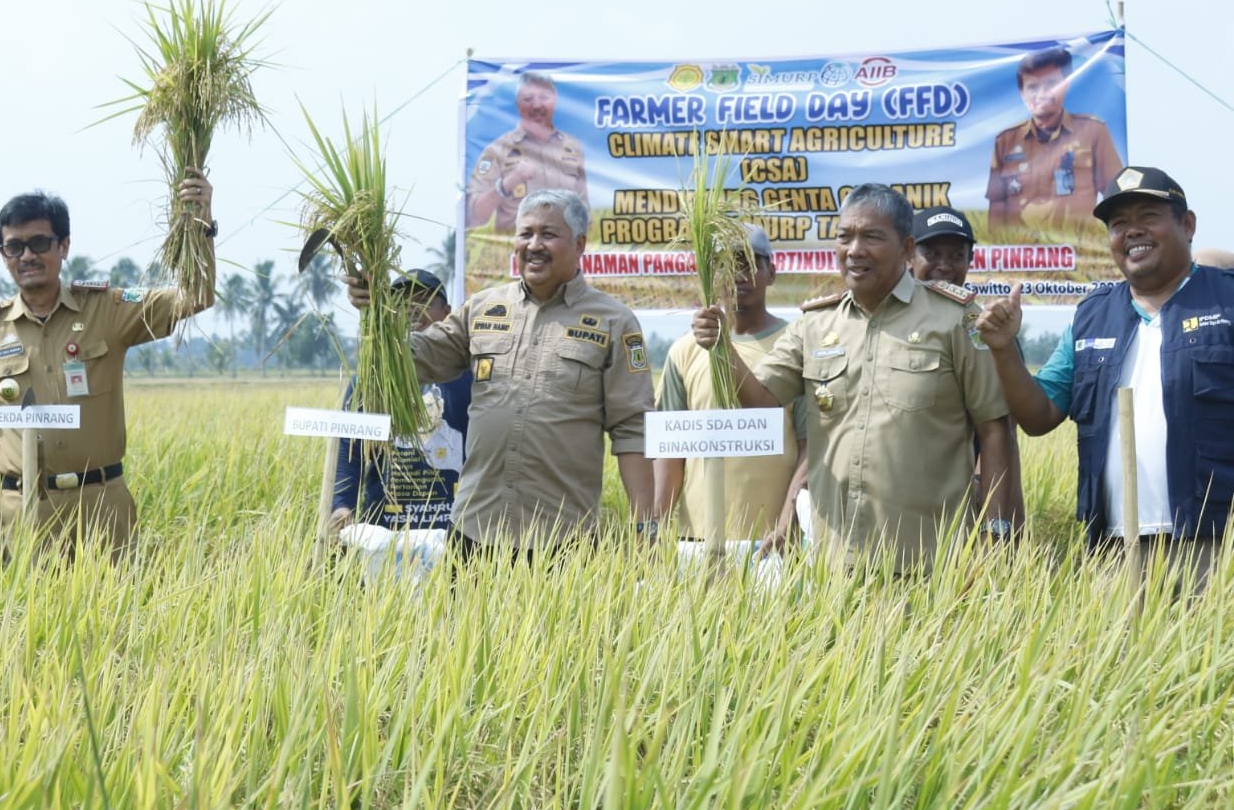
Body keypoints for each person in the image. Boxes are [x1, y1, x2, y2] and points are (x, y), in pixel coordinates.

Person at [692, 184, 1014, 573]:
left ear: (907, 248)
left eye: (872, 237)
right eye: (844, 237)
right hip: (834, 561)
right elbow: (760, 399)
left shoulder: (955, 319)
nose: (854, 250)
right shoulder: (815, 325)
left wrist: (994, 533)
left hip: (930, 560)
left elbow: (994, 428)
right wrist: (721, 346)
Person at [349, 189, 654, 556]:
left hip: (562, 537)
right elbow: (418, 358)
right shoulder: (482, 308)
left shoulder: (615, 322)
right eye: (525, 233)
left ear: (579, 245)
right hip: (475, 529)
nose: (534, 245)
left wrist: (645, 527)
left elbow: (633, 430)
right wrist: (376, 313)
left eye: (548, 234)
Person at [976, 167, 1234, 587]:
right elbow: (1038, 417)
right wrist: (1004, 349)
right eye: (1118, 224)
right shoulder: (1091, 316)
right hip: (1115, 550)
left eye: (1148, 216)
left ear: (1187, 225)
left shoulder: (1226, 300)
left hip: (1214, 546)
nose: (1132, 231)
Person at [0, 177, 214, 556]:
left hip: (103, 506)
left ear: (64, 246)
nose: (27, 256)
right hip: (24, 512)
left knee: (119, 613)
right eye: (15, 247)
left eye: (40, 243)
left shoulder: (107, 309)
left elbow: (196, 296)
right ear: (3, 254)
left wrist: (200, 221)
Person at [653, 225, 808, 554]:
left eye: (751, 262)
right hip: (696, 541)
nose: (738, 273)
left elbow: (811, 445)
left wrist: (788, 519)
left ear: (772, 273)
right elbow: (670, 449)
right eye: (725, 263)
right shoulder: (683, 352)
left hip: (774, 542)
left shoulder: (797, 346)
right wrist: (657, 527)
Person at [910, 206, 1026, 527]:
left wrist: (981, 484)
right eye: (931, 253)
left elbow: (1000, 424)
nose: (944, 266)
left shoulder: (985, 326)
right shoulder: (889, 322)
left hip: (965, 496)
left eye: (956, 255)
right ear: (909, 256)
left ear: (970, 261)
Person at [330, 270, 473, 531]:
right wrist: (342, 505)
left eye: (423, 302)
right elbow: (350, 451)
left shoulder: (469, 377)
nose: (412, 310)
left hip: (455, 529)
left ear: (448, 313)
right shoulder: (372, 379)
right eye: (401, 304)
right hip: (384, 528)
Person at [987, 45, 1123, 230]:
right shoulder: (1006, 141)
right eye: (1033, 87)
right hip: (1021, 255)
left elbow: (1116, 196)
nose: (1042, 94)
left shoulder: (1093, 131)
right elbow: (997, 206)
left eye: (1051, 84)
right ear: (1022, 93)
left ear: (1066, 85)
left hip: (1079, 254)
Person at [465, 73, 590, 233]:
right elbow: (476, 214)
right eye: (528, 99)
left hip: (563, 252)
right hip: (515, 252)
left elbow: (584, 211)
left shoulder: (572, 148)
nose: (537, 105)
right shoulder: (497, 151)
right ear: (518, 104)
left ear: (555, 100)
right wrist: (510, 181)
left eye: (544, 97)